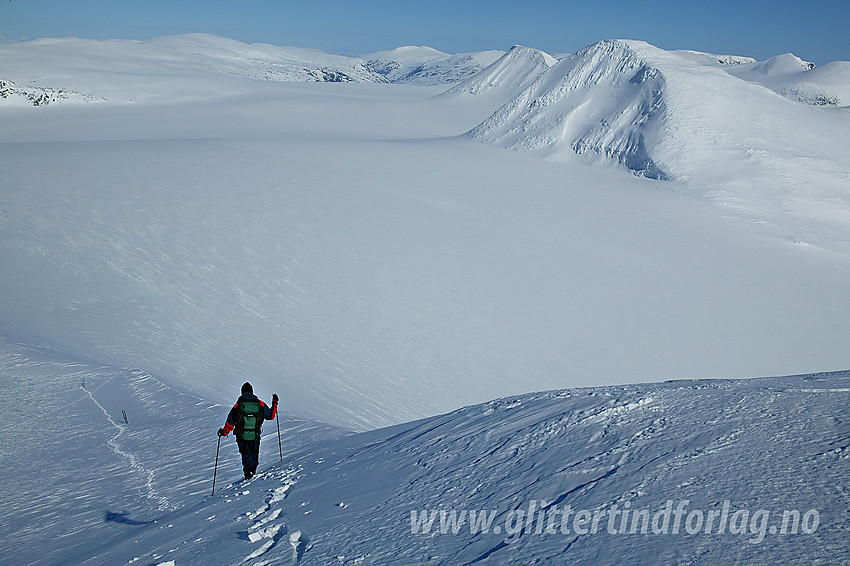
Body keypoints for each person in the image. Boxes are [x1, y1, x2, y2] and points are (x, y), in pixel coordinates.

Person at [218, 382, 278, 479]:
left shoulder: (238, 405)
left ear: (242, 392)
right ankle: (253, 471)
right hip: (255, 433)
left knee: (245, 454)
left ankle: (247, 473)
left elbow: (230, 423)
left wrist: (223, 432)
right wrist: (275, 403)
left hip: (241, 435)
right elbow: (271, 416)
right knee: (254, 453)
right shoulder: (259, 403)